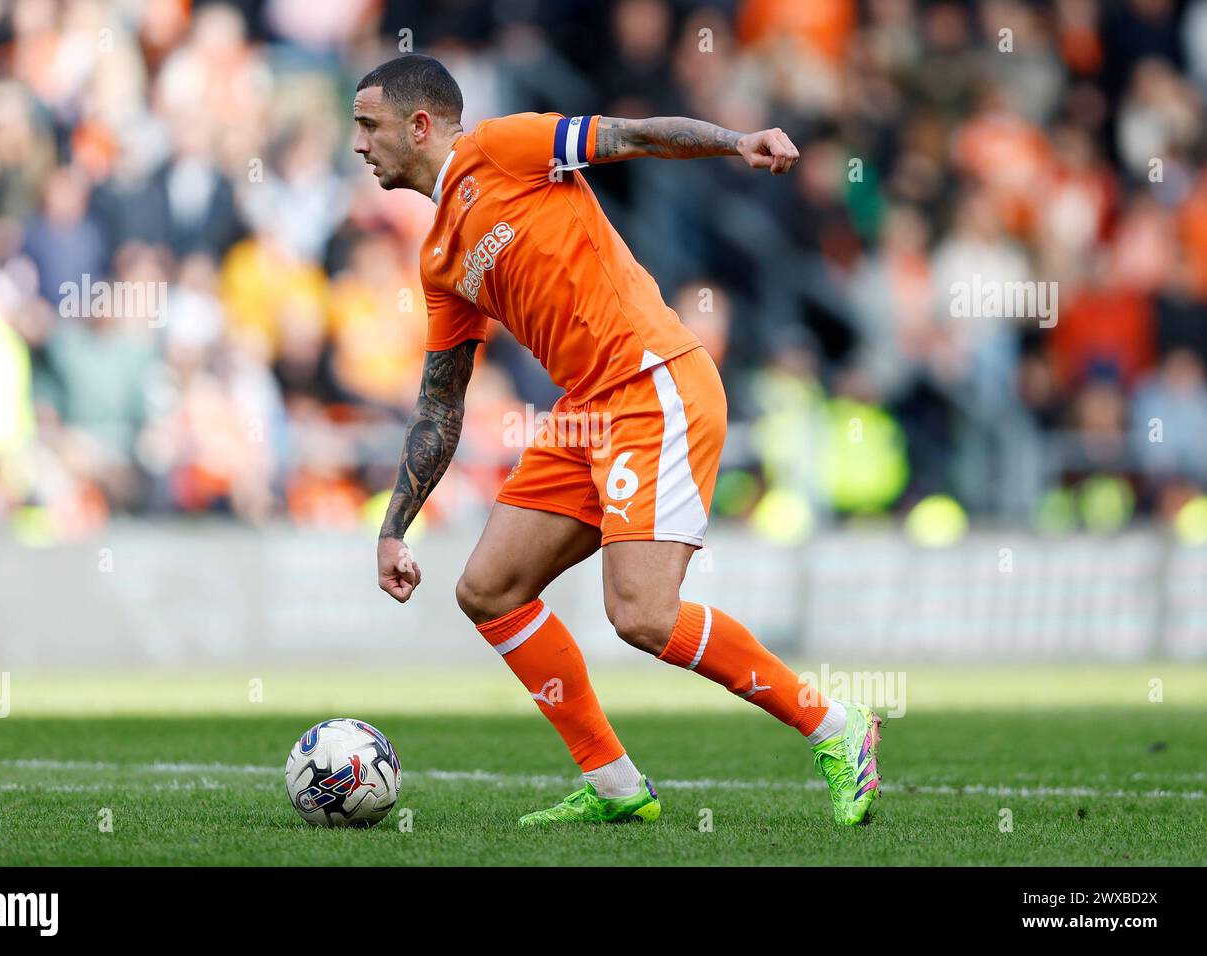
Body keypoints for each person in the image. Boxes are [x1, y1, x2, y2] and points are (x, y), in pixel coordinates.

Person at [357, 54, 880, 827]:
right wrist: (394, 527)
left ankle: (837, 728)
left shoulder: (503, 146)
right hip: (587, 411)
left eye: (368, 126)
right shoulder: (438, 258)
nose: (360, 145)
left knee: (641, 615)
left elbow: (632, 135)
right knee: (489, 590)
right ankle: (613, 784)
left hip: (651, 381)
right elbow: (441, 404)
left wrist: (735, 141)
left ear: (420, 124)